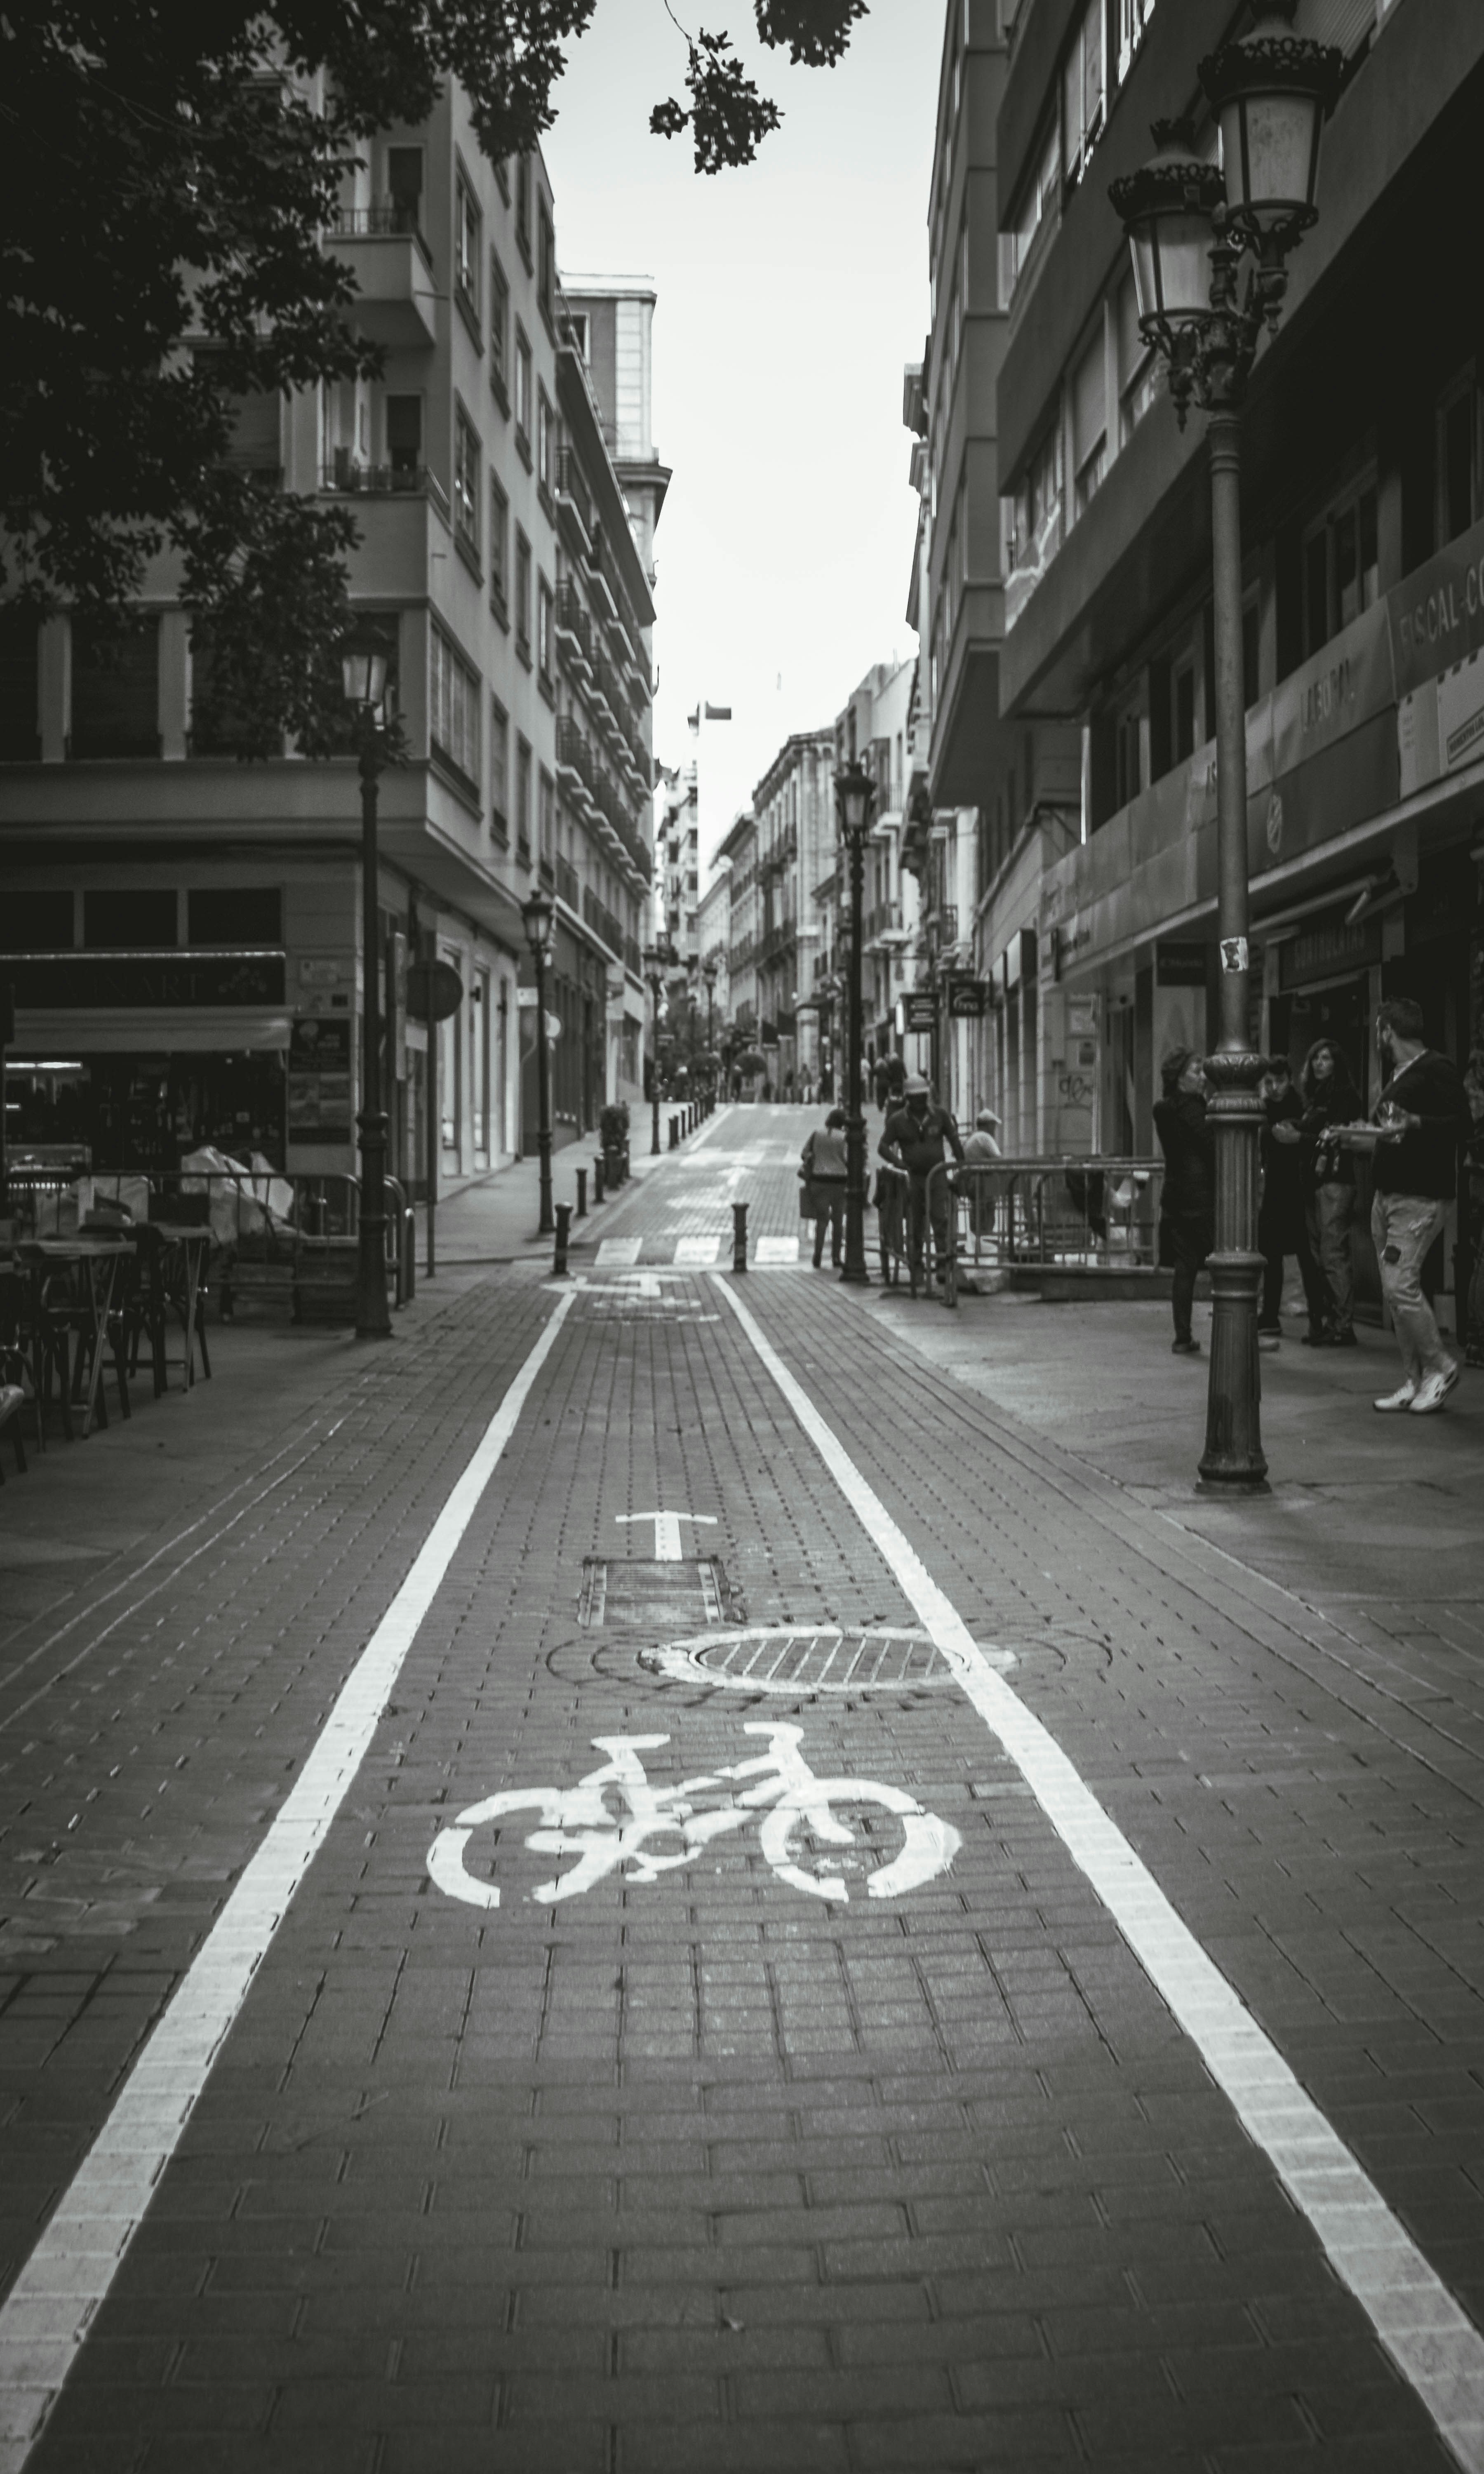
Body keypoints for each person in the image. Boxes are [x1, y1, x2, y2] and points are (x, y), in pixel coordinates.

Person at [1359, 997, 1472, 1414]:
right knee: (1395, 1292)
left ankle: (1440, 1368)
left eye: (1378, 1029)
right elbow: (1387, 1129)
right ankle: (1413, 1379)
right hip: (1386, 1196)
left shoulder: (1435, 1068)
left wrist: (1415, 1123)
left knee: (1398, 1285)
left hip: (1418, 1198)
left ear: (1386, 1030)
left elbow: (1464, 1125)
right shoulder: (1398, 1074)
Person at [1258, 1057, 1329, 1350]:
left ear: (1289, 1079)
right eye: (1269, 1083)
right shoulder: (1266, 1109)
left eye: (1279, 1081)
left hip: (1296, 1190)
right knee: (1271, 1254)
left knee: (1304, 1256)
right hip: (1276, 1188)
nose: (1274, 1088)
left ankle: (1317, 1318)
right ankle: (1271, 1314)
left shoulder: (1298, 1109)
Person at [1298, 1037, 1363, 1345]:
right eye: (1315, 1059)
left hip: (1335, 1180)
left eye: (1325, 1058)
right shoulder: (1314, 1097)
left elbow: (1335, 1137)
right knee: (1318, 1254)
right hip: (1315, 1181)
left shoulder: (1344, 1096)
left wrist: (1298, 1136)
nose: (1319, 1064)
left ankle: (1343, 1324)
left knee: (1332, 1252)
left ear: (1337, 1062)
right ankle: (1330, 1320)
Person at [877, 1075, 964, 1286]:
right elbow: (883, 1146)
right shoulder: (898, 1121)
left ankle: (943, 1263)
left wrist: (962, 1168)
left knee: (939, 1219)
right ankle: (916, 1265)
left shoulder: (940, 1116)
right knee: (915, 1223)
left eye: (922, 1096)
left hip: (937, 1176)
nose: (920, 1101)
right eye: (915, 1097)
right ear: (908, 1098)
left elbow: (954, 1140)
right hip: (914, 1178)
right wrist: (899, 1163)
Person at [1154, 1048, 1213, 1356]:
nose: (1202, 1077)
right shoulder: (1194, 1109)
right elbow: (1211, 1146)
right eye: (1195, 1071)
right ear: (1179, 1077)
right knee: (1226, 1263)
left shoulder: (1163, 1110)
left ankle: (1182, 1335)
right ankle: (1239, 1326)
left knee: (1185, 1269)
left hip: (1175, 1197)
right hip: (1201, 1197)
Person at [800, 1107, 849, 1269]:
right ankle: (836, 1256)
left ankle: (818, 1255)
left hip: (818, 1181)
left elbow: (805, 1154)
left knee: (822, 1220)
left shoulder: (817, 1134)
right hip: (839, 1182)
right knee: (838, 1220)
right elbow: (848, 1159)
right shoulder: (844, 1138)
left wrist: (815, 1159)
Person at [961, 1108, 1002, 1244]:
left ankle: (978, 1244)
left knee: (978, 1213)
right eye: (993, 1125)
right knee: (986, 1214)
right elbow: (998, 1158)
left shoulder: (972, 1138)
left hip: (972, 1182)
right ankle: (985, 1244)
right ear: (987, 1125)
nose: (995, 1129)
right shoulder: (985, 1138)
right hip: (983, 1183)